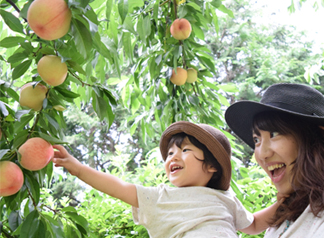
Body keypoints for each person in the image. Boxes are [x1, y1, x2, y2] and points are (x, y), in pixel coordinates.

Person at [52, 121, 278, 237]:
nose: (173, 156)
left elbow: (255, 224)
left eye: (185, 150)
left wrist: (289, 198)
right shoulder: (160, 196)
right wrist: (78, 168)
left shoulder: (225, 198)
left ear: (212, 166)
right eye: (170, 153)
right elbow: (118, 187)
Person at [225, 83, 324, 237]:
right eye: (256, 140)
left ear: (314, 138)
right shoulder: (285, 215)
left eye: (274, 133)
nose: (262, 154)